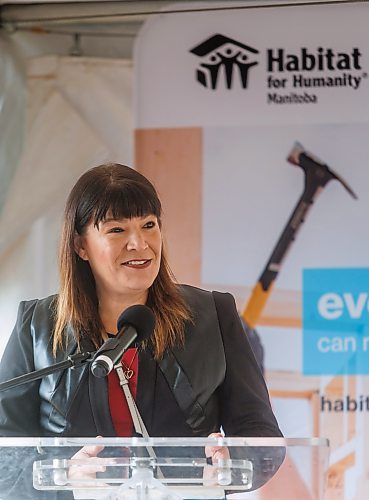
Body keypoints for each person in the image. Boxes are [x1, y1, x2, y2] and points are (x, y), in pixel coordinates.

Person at [0, 162, 282, 440]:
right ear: (81, 246)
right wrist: (64, 473)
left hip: (186, 488)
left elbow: (260, 433)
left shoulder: (214, 314)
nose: (139, 244)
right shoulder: (35, 325)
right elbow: (6, 455)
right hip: (73, 489)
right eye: (116, 230)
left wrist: (226, 465)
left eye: (149, 225)